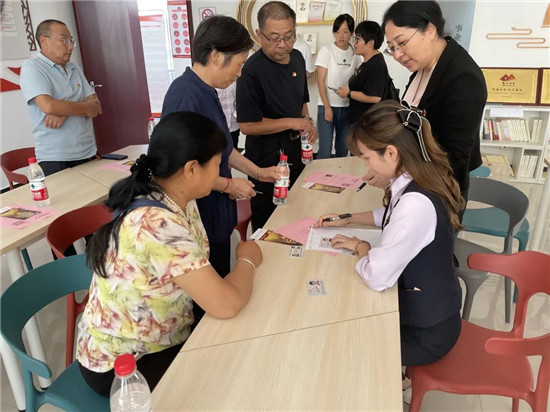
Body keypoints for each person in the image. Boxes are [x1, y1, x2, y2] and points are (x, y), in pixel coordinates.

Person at [76, 111, 263, 397]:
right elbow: (226, 304)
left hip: (158, 335)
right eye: (216, 166)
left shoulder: (173, 195)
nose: (221, 174)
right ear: (190, 169)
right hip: (123, 365)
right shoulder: (158, 224)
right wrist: (247, 259)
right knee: (238, 373)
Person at [315, 100, 464, 368]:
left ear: (392, 153)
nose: (366, 166)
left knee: (337, 345)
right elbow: (390, 216)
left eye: (367, 157)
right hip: (428, 308)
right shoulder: (416, 177)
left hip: (426, 333)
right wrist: (348, 219)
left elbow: (376, 275)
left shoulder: (415, 203)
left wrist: (361, 247)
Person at [162, 16, 279, 282]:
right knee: (211, 290)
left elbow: (224, 148)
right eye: (238, 65)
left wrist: (258, 173)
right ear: (216, 56)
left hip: (214, 209)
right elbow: (179, 171)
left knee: (221, 271)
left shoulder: (208, 90)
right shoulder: (185, 96)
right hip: (198, 213)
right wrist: (229, 185)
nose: (238, 74)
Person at [377, 0, 487, 205]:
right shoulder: (422, 66)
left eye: (402, 43)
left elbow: (454, 157)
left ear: (429, 30)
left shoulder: (463, 78)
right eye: (391, 48)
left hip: (440, 194)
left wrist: (398, 171)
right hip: (414, 184)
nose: (398, 55)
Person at [237, 1, 317, 230]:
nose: (283, 45)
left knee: (299, 213)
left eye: (289, 36)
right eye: (275, 38)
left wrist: (308, 123)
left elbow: (302, 101)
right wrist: (292, 122)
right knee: (268, 224)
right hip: (266, 160)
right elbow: (247, 126)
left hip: (297, 152)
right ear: (259, 35)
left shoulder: (299, 58)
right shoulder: (250, 71)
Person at [20, 19, 102, 176]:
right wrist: (82, 107)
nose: (70, 46)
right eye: (64, 40)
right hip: (55, 157)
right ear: (44, 41)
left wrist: (64, 111)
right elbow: (48, 106)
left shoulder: (74, 68)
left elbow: (96, 107)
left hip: (87, 152)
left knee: (93, 199)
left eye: (71, 40)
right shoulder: (32, 68)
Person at [316, 14, 362, 159]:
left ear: (352, 32)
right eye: (337, 31)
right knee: (325, 151)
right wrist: (327, 107)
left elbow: (359, 80)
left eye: (345, 31)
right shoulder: (326, 51)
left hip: (347, 107)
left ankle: (338, 180)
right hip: (327, 106)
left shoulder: (356, 54)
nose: (341, 35)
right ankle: (317, 179)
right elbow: (320, 81)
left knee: (343, 150)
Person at [335, 21, 390, 125]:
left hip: (368, 124)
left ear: (370, 43)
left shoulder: (376, 65)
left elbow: (375, 97)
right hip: (360, 121)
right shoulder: (367, 62)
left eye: (358, 39)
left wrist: (348, 93)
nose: (354, 43)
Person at [216, 82, 240, 149]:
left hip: (233, 126)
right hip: (217, 127)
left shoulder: (234, 82)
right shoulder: (212, 83)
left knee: (233, 148)